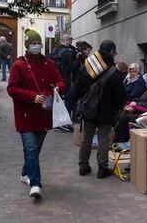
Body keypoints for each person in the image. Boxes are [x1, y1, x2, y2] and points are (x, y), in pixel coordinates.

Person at [7, 29, 65, 199]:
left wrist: (57, 88)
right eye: (33, 43)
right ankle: (35, 183)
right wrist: (33, 97)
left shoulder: (49, 64)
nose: (36, 46)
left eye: (38, 43)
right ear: (27, 45)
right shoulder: (19, 65)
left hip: (44, 116)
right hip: (25, 116)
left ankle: (25, 173)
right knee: (31, 148)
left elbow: (61, 81)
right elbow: (12, 89)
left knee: (34, 150)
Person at [72, 40, 126, 178]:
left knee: (87, 138)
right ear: (112, 52)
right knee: (103, 139)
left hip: (89, 109)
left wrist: (78, 101)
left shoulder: (88, 65)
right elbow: (120, 95)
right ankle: (102, 168)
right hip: (106, 112)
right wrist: (118, 108)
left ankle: (83, 166)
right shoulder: (115, 72)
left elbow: (78, 85)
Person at [49, 34, 76, 132]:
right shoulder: (67, 52)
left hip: (55, 80)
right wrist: (77, 59)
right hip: (65, 80)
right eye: (70, 41)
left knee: (57, 101)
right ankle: (65, 123)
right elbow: (73, 67)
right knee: (68, 100)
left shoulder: (55, 50)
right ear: (68, 41)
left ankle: (56, 123)